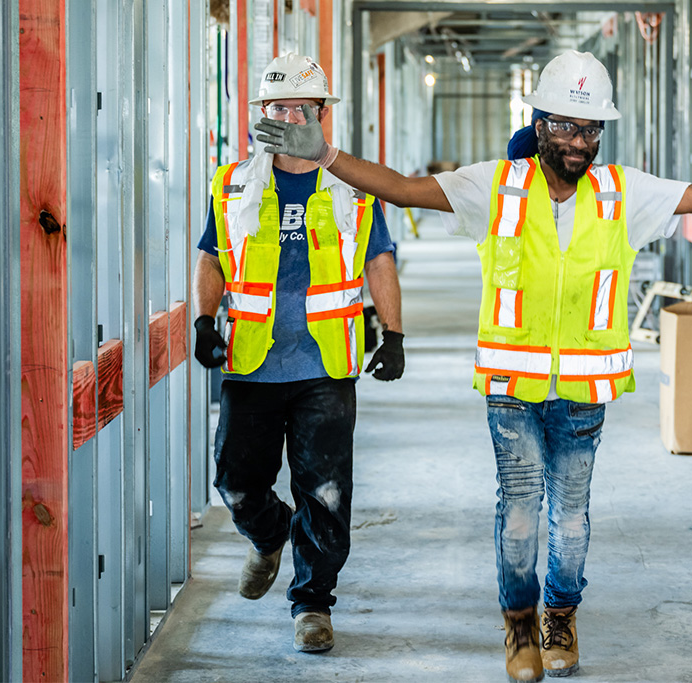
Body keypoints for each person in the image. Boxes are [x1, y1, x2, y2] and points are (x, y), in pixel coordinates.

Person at [256, 49, 692, 681]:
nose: (582, 140)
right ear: (540, 123)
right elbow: (403, 188)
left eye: (593, 128)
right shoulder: (495, 188)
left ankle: (559, 617)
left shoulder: (621, 193)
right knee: (519, 509)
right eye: (569, 125)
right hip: (512, 387)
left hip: (583, 392)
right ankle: (519, 628)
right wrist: (324, 155)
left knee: (570, 515)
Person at [192, 54, 405, 654]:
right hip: (253, 360)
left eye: (301, 107)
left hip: (324, 367)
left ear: (321, 115)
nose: (289, 117)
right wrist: (207, 317)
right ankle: (270, 536)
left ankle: (312, 604)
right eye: (278, 107)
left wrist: (393, 331)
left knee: (327, 494)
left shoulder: (350, 184)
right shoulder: (233, 182)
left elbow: (378, 258)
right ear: (261, 114)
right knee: (235, 482)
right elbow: (212, 256)